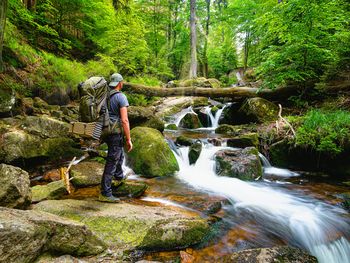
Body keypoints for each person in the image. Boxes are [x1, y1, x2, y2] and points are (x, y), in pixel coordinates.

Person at [99, 73, 133, 202]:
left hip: (104, 130)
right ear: (120, 83)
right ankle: (105, 193)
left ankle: (119, 176)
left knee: (117, 153)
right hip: (115, 131)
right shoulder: (121, 97)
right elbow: (124, 120)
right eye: (122, 82)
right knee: (112, 160)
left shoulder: (104, 96)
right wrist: (129, 139)